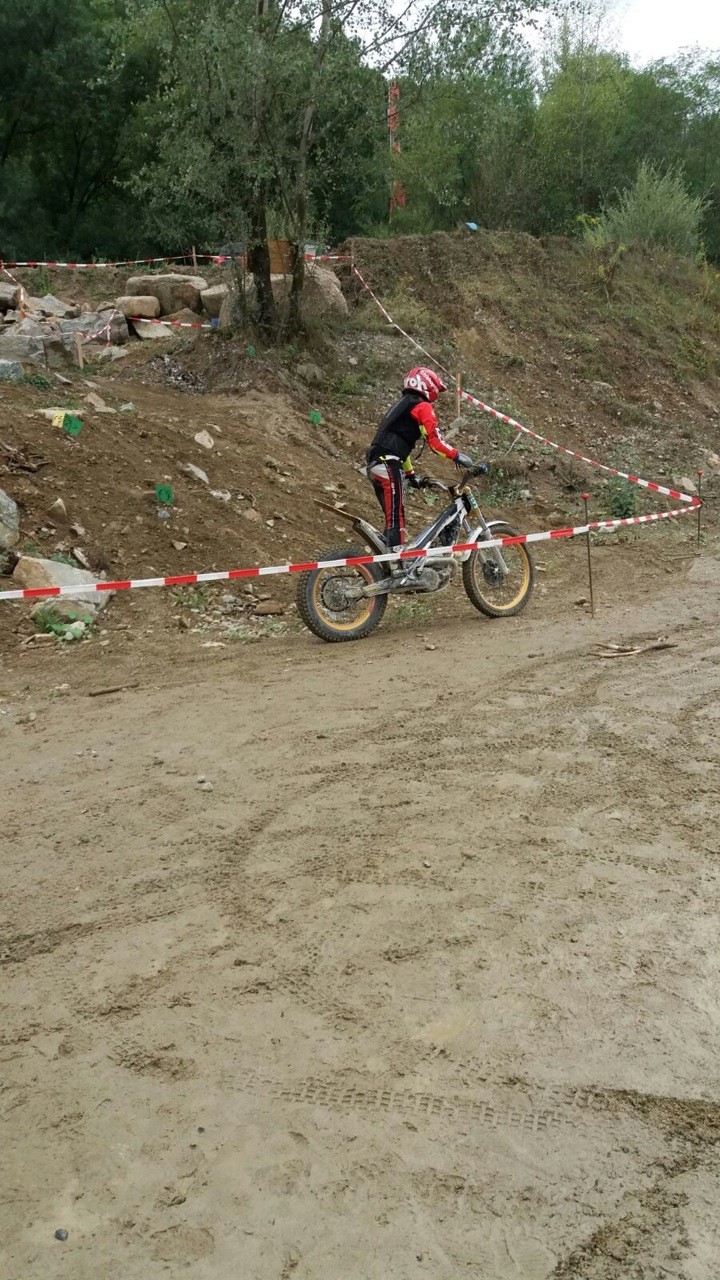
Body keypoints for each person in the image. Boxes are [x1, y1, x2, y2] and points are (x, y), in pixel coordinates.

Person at [365, 366, 473, 549]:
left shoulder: (402, 405)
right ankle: (396, 558)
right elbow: (435, 443)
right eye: (436, 389)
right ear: (427, 385)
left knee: (392, 517)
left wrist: (410, 475)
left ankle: (383, 558)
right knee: (396, 517)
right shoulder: (422, 406)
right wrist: (458, 456)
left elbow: (399, 447)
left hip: (376, 463)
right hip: (388, 464)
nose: (436, 394)